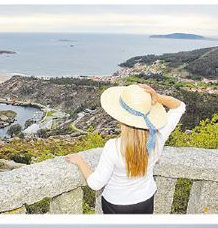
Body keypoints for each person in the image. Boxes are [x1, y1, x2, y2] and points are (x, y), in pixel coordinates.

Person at [65, 83, 185, 214]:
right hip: (146, 199)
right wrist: (157, 98)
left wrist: (79, 161)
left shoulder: (113, 147)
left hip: (116, 205)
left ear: (121, 117)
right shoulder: (158, 137)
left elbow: (96, 184)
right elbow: (179, 106)